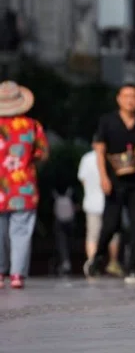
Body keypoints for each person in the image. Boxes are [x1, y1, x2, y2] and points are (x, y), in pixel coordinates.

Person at [85, 83, 135, 286]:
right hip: (114, 181)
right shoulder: (107, 121)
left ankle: (132, 267)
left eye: (134, 96)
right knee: (111, 225)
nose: (130, 100)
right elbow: (100, 152)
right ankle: (96, 259)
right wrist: (103, 177)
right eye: (127, 96)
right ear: (119, 99)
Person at [0, 81, 49, 289]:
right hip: (24, 186)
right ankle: (17, 274)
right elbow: (43, 154)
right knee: (21, 231)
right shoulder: (32, 126)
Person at [78, 148, 121, 275]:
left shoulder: (86, 159)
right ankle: (113, 262)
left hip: (92, 202)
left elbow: (83, 180)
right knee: (113, 232)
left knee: (93, 235)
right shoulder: (112, 155)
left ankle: (92, 263)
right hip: (110, 202)